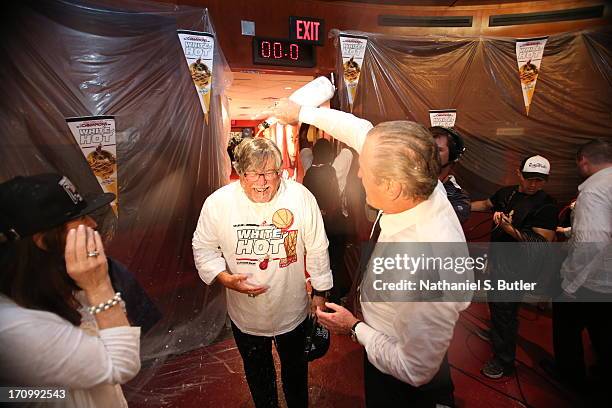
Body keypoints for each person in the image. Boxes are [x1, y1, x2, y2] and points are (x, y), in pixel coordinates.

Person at [272, 100, 470, 407]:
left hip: (402, 374)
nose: (360, 175)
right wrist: (302, 113)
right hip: (384, 337)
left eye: (364, 170)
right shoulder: (421, 182)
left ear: (391, 186)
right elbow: (360, 131)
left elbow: (415, 369)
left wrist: (353, 328)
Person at [192, 137, 333, 408]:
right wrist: (224, 278)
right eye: (254, 174)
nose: (263, 182)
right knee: (258, 375)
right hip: (246, 315)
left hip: (291, 308)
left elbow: (317, 247)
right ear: (240, 174)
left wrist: (319, 294)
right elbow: (203, 248)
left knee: (295, 373)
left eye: (271, 173)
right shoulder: (218, 203)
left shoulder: (300, 197)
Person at [0, 173, 141, 407]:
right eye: (81, 218)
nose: (93, 224)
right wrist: (99, 285)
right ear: (43, 241)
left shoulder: (54, 282)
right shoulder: (14, 327)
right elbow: (122, 364)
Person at [470, 155, 557, 379]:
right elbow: (487, 204)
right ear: (520, 173)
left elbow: (541, 243)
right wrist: (458, 207)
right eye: (529, 178)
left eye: (539, 180)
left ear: (546, 180)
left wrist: (510, 230)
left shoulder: (546, 205)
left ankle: (504, 362)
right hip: (498, 261)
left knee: (505, 312)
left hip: (517, 268)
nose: (533, 184)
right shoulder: (506, 193)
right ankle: (497, 334)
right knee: (498, 308)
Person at [542, 138, 612, 393]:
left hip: (591, 280)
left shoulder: (593, 190)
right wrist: (571, 230)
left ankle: (571, 378)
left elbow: (592, 242)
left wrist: (570, 286)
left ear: (583, 160)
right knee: (604, 332)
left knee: (567, 330)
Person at [429, 127, 470, 223]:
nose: (430, 154)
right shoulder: (408, 182)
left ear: (453, 156)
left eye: (438, 150)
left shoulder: (458, 198)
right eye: (427, 148)